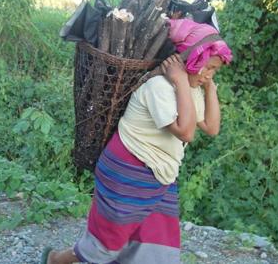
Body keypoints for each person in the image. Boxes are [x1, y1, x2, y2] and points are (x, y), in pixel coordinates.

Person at [41, 18, 232, 264]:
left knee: (154, 246)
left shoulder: (190, 89)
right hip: (128, 171)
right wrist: (182, 81)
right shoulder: (159, 87)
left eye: (215, 70)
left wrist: (210, 89)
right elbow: (186, 132)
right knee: (108, 242)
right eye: (207, 67)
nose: (208, 75)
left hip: (160, 176)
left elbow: (212, 127)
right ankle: (55, 260)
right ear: (187, 60)